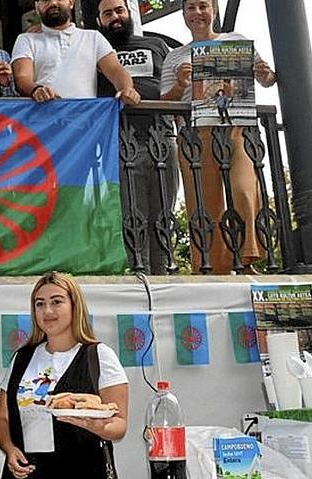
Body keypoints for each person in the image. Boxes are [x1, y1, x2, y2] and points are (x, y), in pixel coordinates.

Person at [160, 0, 277, 274]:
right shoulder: (174, 56)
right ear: (184, 15)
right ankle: (212, 268)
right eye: (191, 8)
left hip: (236, 126)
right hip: (195, 131)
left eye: (203, 6)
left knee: (244, 189)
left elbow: (266, 78)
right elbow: (165, 100)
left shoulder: (235, 41)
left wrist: (265, 73)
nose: (198, 13)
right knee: (203, 201)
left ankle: (248, 257)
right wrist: (180, 84)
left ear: (213, 10)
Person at [0, 271, 129, 479]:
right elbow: (2, 418)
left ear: (75, 306)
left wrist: (95, 425)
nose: (47, 311)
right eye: (40, 304)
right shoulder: (22, 357)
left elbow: (119, 424)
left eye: (57, 302)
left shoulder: (98, 356)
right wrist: (9, 449)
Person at [96, 0, 180, 274]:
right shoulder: (97, 51)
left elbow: (171, 88)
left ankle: (163, 274)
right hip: (120, 142)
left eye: (119, 11)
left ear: (129, 13)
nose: (115, 17)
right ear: (99, 21)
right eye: (107, 14)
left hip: (161, 136)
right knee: (132, 216)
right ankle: (138, 275)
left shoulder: (156, 45)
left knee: (163, 214)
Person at [11, 0, 140, 106]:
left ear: (71, 2)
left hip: (84, 125)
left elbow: (116, 70)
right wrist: (36, 90)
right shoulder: (26, 40)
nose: (53, 3)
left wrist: (126, 89)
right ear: (37, 7)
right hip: (43, 124)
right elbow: (22, 78)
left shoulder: (93, 37)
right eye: (45, 0)